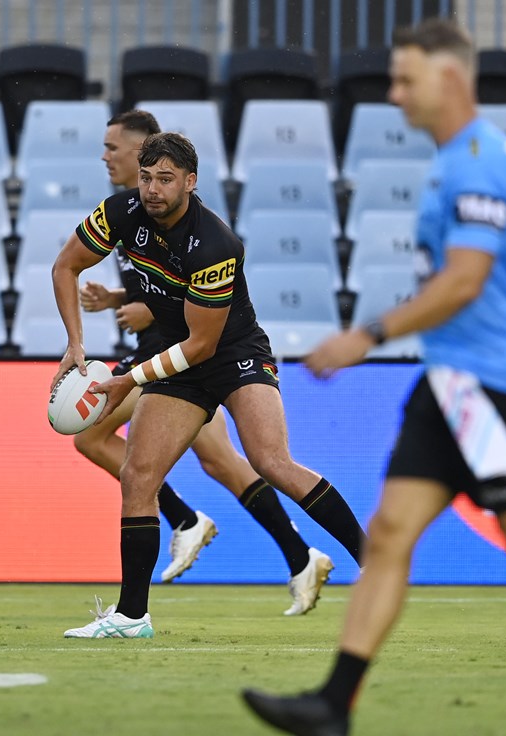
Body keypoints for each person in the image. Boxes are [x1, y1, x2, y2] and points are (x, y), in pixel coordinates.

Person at [242, 18, 506, 736]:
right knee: (388, 535)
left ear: (450, 78)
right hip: (451, 387)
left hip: (490, 394)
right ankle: (334, 705)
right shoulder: (464, 158)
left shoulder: (478, 163)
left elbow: (466, 280)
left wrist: (367, 335)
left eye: (406, 78)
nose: (394, 91)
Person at [51, 131, 367, 639]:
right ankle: (133, 616)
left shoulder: (214, 243)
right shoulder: (120, 211)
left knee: (269, 460)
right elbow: (65, 265)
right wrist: (75, 343)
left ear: (190, 182)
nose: (152, 189)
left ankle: (372, 562)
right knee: (138, 476)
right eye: (147, 177)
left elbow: (202, 345)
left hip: (233, 352)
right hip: (179, 359)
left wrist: (128, 378)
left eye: (166, 180)